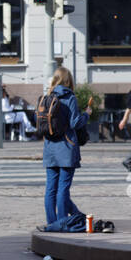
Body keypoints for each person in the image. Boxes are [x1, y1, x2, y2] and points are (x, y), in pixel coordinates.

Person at [40, 67, 91, 230]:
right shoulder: (70, 97)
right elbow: (75, 123)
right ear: (68, 81)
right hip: (66, 148)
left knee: (50, 188)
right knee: (63, 188)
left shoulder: (48, 96)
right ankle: (62, 223)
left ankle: (51, 222)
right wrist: (87, 114)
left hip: (49, 148)